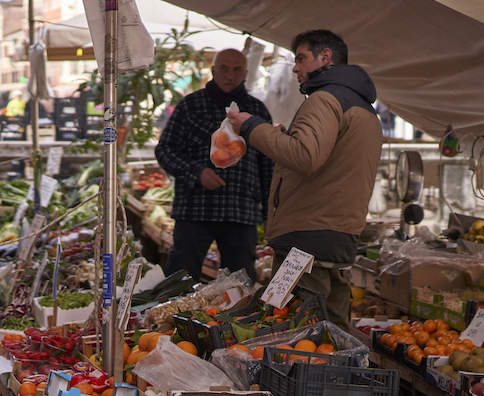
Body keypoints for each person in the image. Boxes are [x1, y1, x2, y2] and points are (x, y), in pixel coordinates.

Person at [227, 30, 382, 332]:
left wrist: (254, 127)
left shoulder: (324, 100)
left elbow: (305, 156)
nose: (295, 67)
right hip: (339, 236)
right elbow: (329, 161)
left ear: (325, 57)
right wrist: (283, 138)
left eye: (300, 58)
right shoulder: (364, 108)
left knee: (292, 332)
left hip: (307, 238)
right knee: (332, 333)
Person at [154, 48, 275, 282]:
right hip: (195, 209)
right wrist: (196, 173)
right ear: (213, 70)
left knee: (240, 285)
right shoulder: (190, 106)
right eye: (224, 68)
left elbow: (269, 166)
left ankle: (234, 319)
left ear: (246, 74)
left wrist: (270, 212)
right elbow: (165, 150)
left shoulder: (257, 111)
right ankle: (173, 319)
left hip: (241, 210)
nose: (230, 75)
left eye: (237, 70)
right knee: (181, 279)